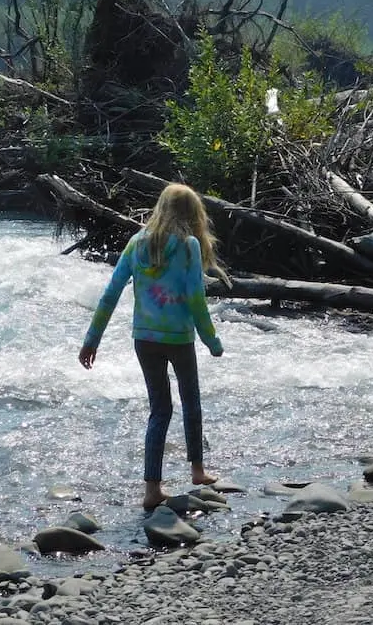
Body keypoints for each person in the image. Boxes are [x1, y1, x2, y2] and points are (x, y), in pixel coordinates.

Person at [78, 183, 224, 511]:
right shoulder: (189, 247)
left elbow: (110, 294)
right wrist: (211, 339)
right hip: (179, 338)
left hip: (144, 340)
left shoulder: (136, 244)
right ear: (192, 215)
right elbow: (195, 299)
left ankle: (151, 489)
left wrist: (92, 340)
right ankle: (197, 471)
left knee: (160, 410)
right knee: (191, 402)